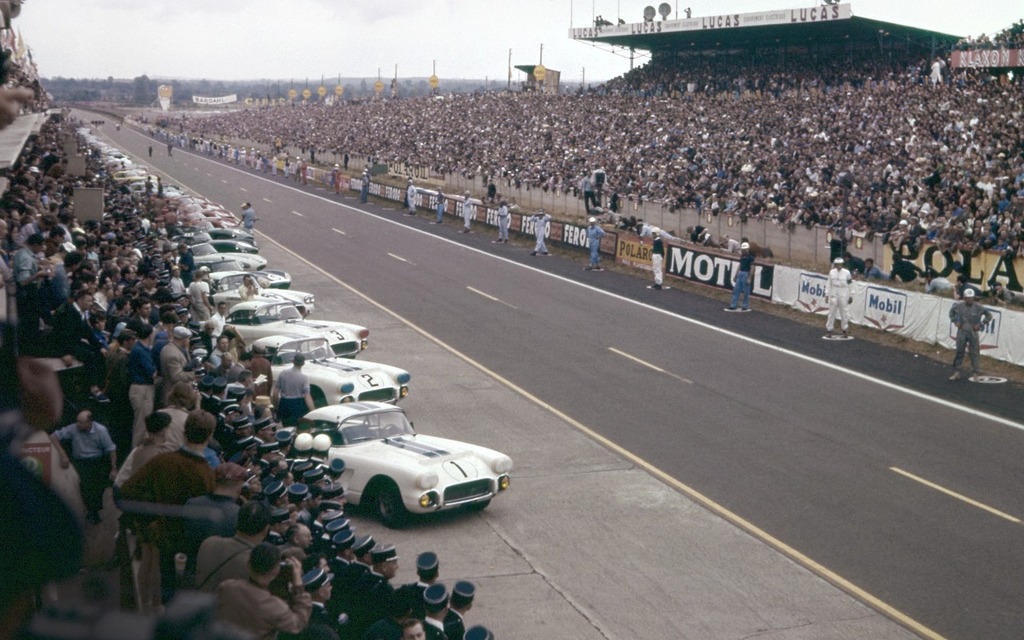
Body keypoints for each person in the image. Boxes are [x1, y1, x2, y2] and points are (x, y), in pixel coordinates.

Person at [216, 543, 312, 640]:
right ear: (276, 570)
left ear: (248, 565)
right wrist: (298, 585)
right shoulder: (275, 606)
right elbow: (297, 624)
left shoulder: (226, 587)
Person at [51, 410, 117, 524]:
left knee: (97, 488)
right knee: (85, 487)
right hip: (80, 462)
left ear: (89, 422)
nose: (78, 424)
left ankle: (94, 510)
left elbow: (111, 450)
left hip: (96, 461)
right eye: (77, 421)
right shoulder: (73, 428)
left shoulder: (101, 431)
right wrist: (62, 454)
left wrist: (113, 468)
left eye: (81, 422)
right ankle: (89, 511)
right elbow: (53, 437)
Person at [195, 501, 271, 592]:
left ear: (236, 522)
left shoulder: (208, 543)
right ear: (266, 530)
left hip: (197, 604)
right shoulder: (256, 565)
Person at [948, 289, 992, 381]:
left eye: (971, 298)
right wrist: (955, 321)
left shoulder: (979, 307)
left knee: (974, 352)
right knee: (959, 351)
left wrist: (981, 324)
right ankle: (956, 372)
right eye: (967, 298)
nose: (969, 300)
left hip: (973, 332)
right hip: (962, 331)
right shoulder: (959, 306)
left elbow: (989, 315)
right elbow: (951, 313)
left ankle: (975, 373)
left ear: (974, 298)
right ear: (964, 298)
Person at [272, 353, 314, 426]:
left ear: (293, 361)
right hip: (297, 405)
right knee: (296, 426)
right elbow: (307, 396)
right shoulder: (304, 378)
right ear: (303, 363)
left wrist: (276, 407)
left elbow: (275, 392)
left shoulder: (283, 373)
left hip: (284, 403)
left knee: (286, 426)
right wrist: (313, 411)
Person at [825, 257, 853, 336]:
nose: (838, 266)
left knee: (844, 313)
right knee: (831, 313)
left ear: (842, 264)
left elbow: (850, 284)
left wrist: (851, 295)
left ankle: (844, 329)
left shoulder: (847, 273)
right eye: (837, 264)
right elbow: (828, 284)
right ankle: (829, 330)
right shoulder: (832, 272)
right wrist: (826, 294)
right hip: (834, 293)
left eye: (840, 264)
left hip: (843, 293)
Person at [727, 242, 754, 310]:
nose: (743, 251)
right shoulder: (742, 257)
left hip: (746, 273)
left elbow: (752, 268)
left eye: (745, 249)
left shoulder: (751, 258)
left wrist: (749, 278)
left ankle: (745, 305)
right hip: (741, 273)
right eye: (743, 249)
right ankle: (733, 305)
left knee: (746, 292)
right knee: (736, 290)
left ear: (748, 249)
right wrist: (736, 275)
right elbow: (740, 266)